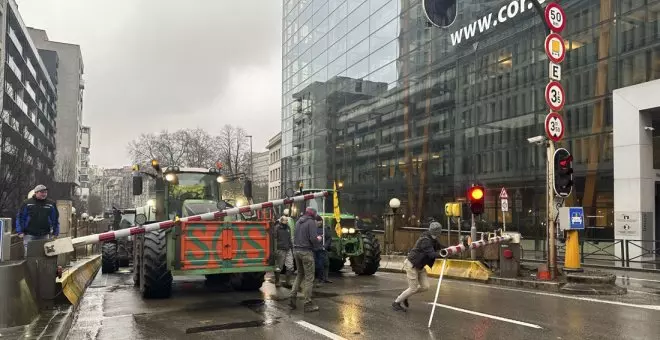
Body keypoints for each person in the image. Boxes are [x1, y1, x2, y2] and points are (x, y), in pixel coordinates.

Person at [392, 221, 445, 312]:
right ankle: (396, 303)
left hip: (420, 266)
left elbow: (442, 247)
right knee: (413, 288)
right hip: (412, 265)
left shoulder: (433, 239)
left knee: (425, 287)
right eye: (439, 231)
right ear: (437, 232)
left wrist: (454, 248)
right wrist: (443, 254)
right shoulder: (426, 240)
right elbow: (432, 254)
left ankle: (405, 295)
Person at [289, 207, 322, 312]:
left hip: (296, 251)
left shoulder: (298, 221)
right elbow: (313, 238)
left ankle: (292, 298)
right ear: (313, 214)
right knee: (309, 278)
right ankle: (308, 303)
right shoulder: (311, 222)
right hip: (306, 252)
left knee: (299, 274)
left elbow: (294, 236)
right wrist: (318, 240)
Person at [16, 185, 60, 256]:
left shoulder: (51, 204)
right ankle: (30, 267)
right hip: (29, 234)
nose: (44, 194)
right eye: (42, 192)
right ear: (36, 193)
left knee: (43, 255)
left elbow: (55, 219)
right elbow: (20, 218)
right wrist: (20, 231)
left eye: (45, 192)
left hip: (44, 234)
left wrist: (56, 232)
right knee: (29, 255)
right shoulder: (27, 203)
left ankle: (41, 267)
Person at [273, 215, 293, 287]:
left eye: (287, 220)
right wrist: (275, 250)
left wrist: (291, 247)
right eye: (285, 220)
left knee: (290, 266)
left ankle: (288, 282)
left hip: (288, 249)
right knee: (279, 267)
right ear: (281, 221)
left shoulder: (288, 228)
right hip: (280, 249)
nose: (287, 221)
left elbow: (289, 238)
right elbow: (274, 239)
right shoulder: (277, 228)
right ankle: (277, 281)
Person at [314, 215, 332, 285]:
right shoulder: (312, 229)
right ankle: (319, 279)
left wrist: (325, 246)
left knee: (326, 264)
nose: (319, 223)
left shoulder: (325, 229)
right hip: (316, 249)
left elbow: (329, 238)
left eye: (320, 222)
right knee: (319, 265)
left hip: (323, 249)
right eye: (318, 222)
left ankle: (325, 278)